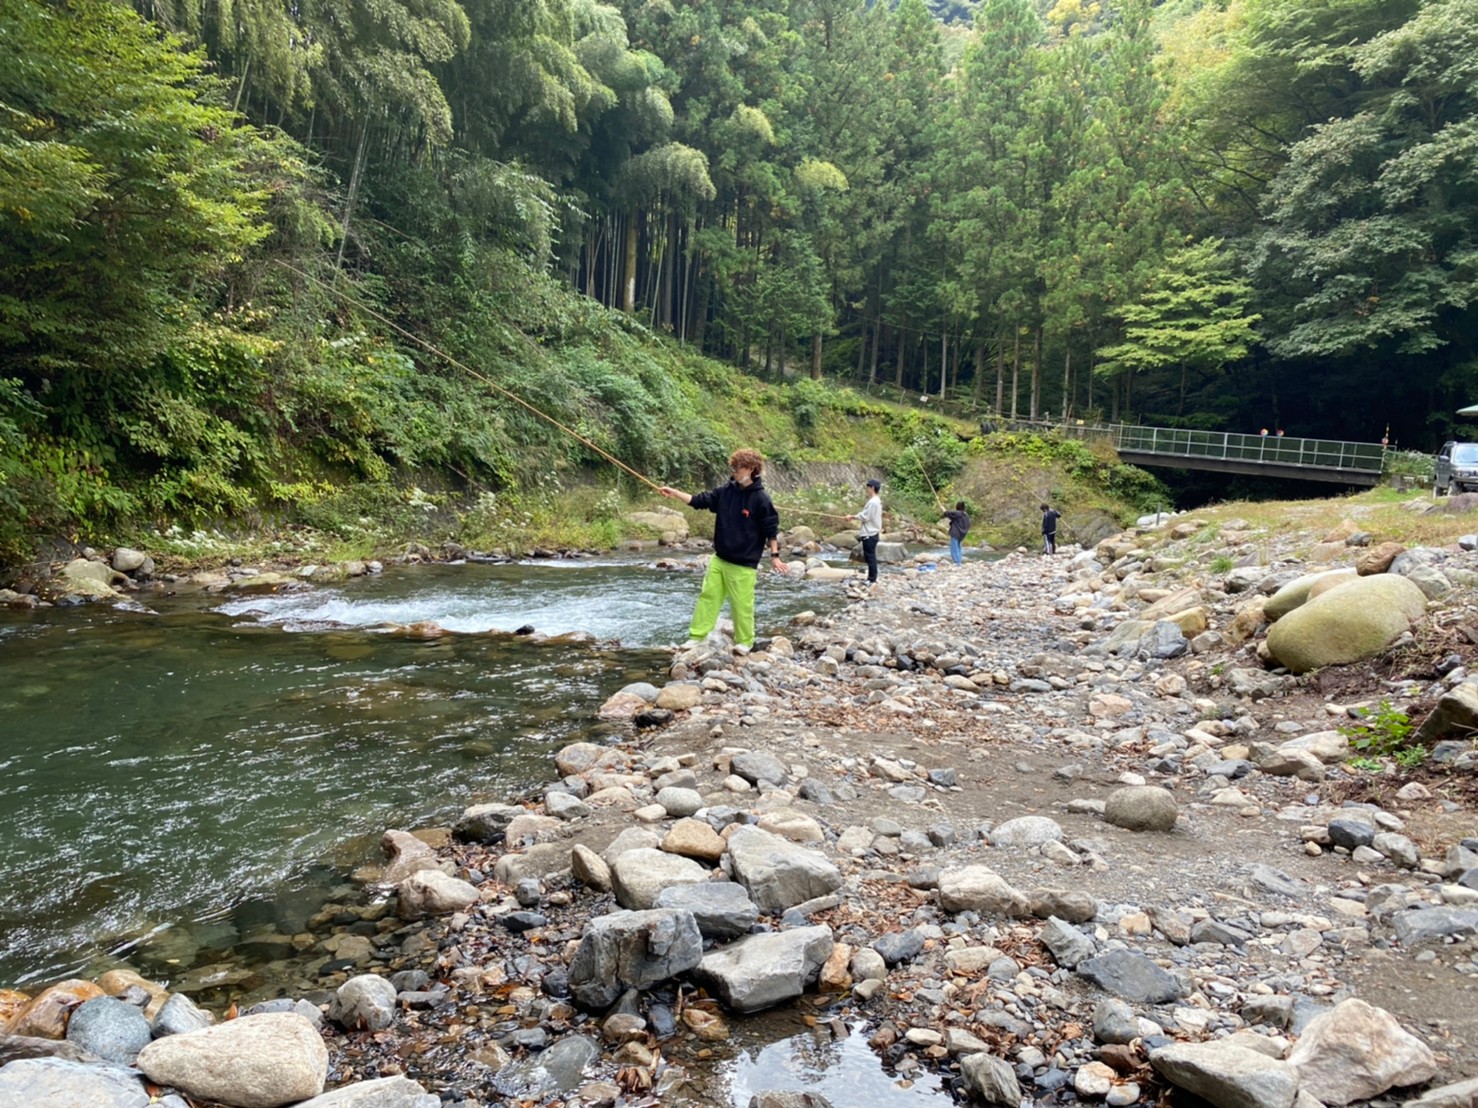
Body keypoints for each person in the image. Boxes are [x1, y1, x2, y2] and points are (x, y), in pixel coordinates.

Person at [659, 448, 787, 653]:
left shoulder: (762, 499)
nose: (734, 471)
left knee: (741, 606)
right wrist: (674, 493)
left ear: (751, 469)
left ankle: (745, 642)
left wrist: (775, 557)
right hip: (720, 559)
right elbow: (698, 500)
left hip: (744, 564)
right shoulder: (726, 491)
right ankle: (697, 637)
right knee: (707, 597)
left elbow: (771, 529)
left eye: (738, 468)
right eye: (733, 467)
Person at [856, 478, 883, 590]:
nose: (867, 489)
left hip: (869, 533)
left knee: (870, 557)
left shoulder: (873, 502)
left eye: (868, 487)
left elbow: (865, 516)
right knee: (870, 557)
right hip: (873, 533)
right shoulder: (877, 500)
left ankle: (872, 579)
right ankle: (871, 578)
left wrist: (852, 517)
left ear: (872, 488)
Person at [941, 500, 971, 566]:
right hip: (962, 534)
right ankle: (959, 561)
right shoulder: (966, 515)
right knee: (959, 547)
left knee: (954, 548)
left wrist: (943, 509)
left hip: (955, 533)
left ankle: (957, 562)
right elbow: (968, 524)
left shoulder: (957, 513)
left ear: (957, 506)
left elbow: (948, 513)